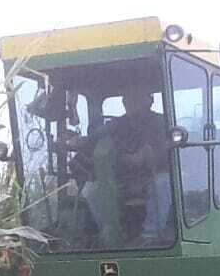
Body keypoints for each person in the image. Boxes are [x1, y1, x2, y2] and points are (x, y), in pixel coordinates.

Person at [59, 83, 173, 245]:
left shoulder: (162, 123)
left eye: (135, 98)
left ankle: (150, 236)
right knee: (91, 190)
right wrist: (75, 142)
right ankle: (109, 233)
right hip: (121, 180)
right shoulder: (117, 124)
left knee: (163, 183)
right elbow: (93, 140)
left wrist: (145, 157)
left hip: (152, 177)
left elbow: (163, 152)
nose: (129, 103)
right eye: (126, 99)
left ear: (150, 100)